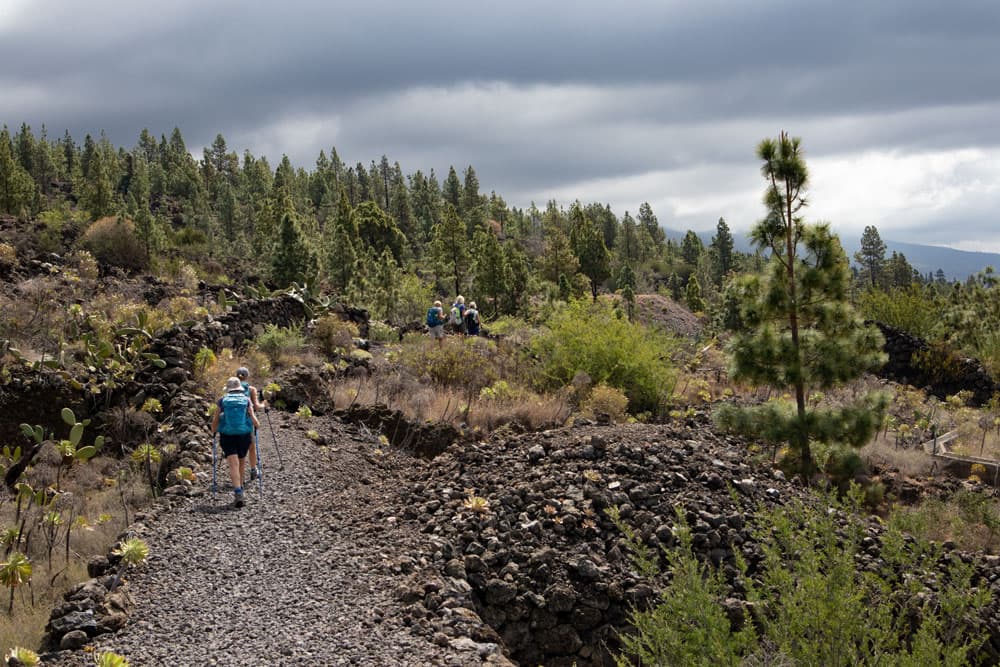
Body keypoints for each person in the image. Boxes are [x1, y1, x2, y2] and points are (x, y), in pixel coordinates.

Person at [211, 377, 260, 508]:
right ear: (239, 388)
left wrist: (214, 430)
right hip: (244, 436)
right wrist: (256, 425)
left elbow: (216, 419)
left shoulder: (222, 401)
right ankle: (241, 487)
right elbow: (254, 420)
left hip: (227, 436)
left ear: (228, 389)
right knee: (241, 462)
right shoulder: (246, 400)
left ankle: (238, 492)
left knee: (233, 464)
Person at [236, 366, 268, 481]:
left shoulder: (229, 389)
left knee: (238, 450)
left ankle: (238, 476)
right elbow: (257, 406)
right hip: (247, 423)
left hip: (233, 423)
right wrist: (264, 404)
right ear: (247, 376)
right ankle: (253, 470)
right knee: (251, 447)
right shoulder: (251, 389)